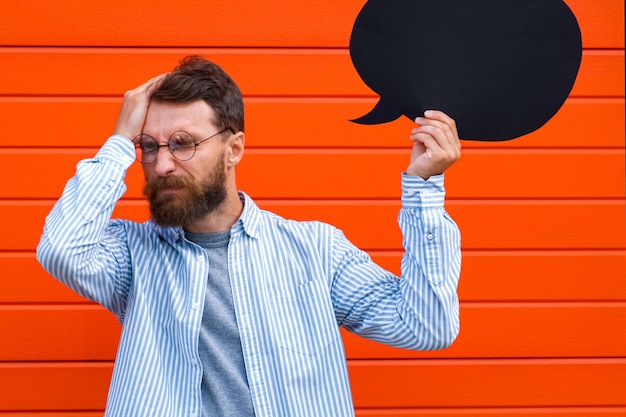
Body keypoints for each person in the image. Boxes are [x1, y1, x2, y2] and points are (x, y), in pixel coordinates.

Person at [37, 55, 462, 417]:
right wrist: (117, 141)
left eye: (183, 143)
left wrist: (423, 190)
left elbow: (427, 325)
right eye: (148, 146)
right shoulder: (132, 256)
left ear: (234, 149)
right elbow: (61, 248)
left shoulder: (315, 251)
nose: (161, 164)